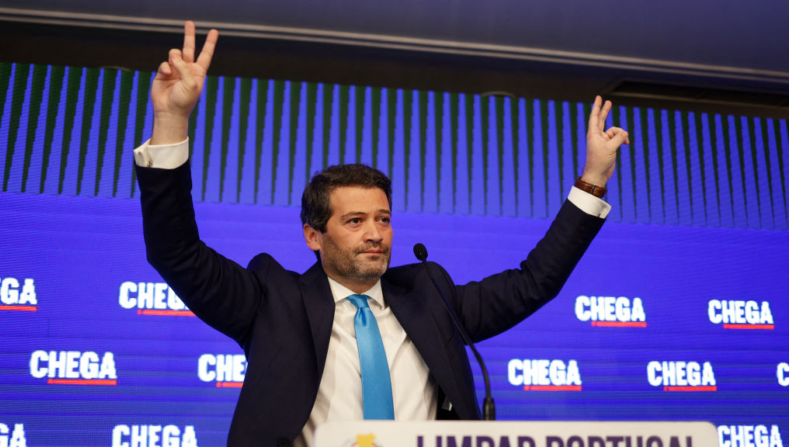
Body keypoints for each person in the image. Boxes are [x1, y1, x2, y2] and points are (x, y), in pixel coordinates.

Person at [134, 21, 629, 447]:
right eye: (355, 221)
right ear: (313, 235)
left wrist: (592, 180)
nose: (376, 234)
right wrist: (172, 118)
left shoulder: (431, 297)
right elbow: (176, 252)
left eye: (383, 218)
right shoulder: (270, 300)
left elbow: (533, 282)